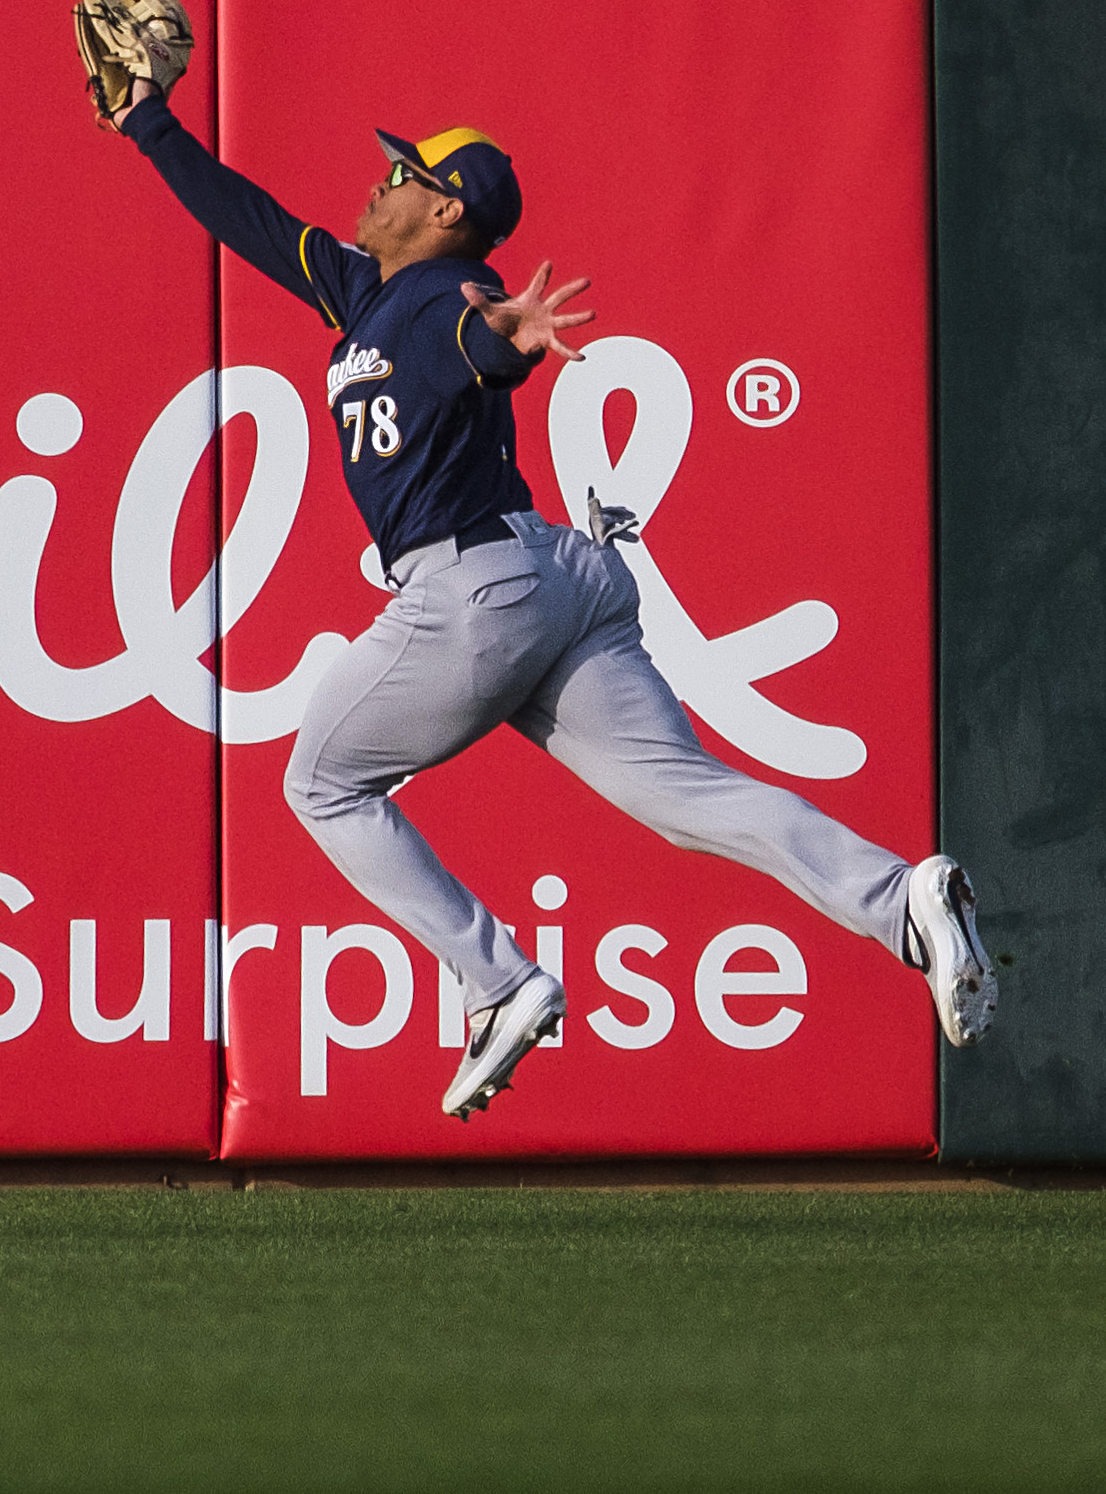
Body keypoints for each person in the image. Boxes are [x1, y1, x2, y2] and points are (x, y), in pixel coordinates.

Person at [103, 71, 996, 1119]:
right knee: (686, 799)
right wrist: (146, 124)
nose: (379, 182)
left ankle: (498, 981)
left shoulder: (444, 295)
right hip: (554, 579)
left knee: (320, 783)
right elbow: (249, 220)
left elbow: (477, 338)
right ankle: (904, 897)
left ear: (443, 209)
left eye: (403, 173)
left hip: (477, 588)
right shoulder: (365, 290)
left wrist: (503, 343)